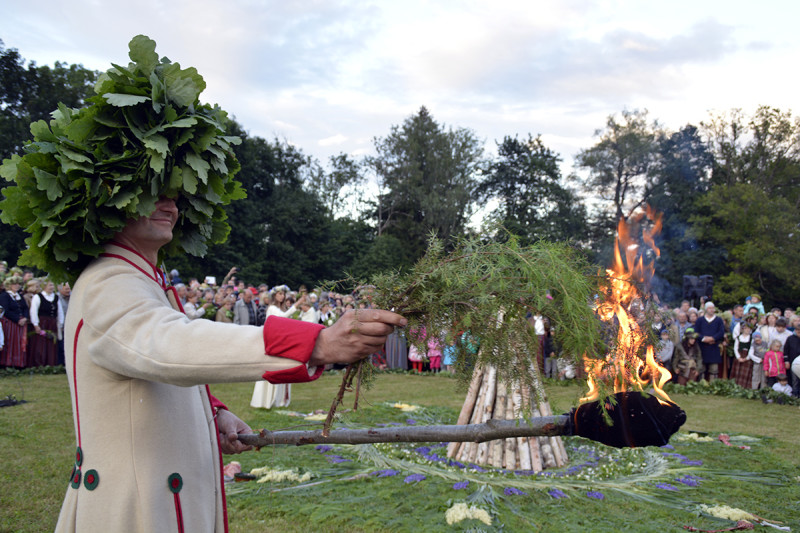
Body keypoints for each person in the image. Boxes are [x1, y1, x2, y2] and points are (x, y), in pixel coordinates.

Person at [53, 197, 405, 532]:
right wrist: (316, 342)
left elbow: (145, 373)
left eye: (175, 196)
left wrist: (212, 413)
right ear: (109, 201)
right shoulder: (109, 281)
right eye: (151, 194)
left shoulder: (139, 279)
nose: (171, 206)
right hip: (134, 511)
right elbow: (168, 346)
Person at [29, 280, 64, 366]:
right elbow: (33, 311)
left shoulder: (56, 297)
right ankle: (39, 364)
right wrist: (36, 324)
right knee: (41, 344)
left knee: (52, 343)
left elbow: (60, 312)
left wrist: (60, 323)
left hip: (52, 323)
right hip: (42, 323)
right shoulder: (38, 297)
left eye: (52, 285)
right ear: (44, 286)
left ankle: (51, 363)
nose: (52, 287)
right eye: (50, 285)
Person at [0, 275, 28, 368]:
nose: (17, 286)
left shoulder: (20, 295)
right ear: (9, 285)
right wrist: (17, 319)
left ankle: (18, 363)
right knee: (10, 342)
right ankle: (7, 363)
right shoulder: (5, 295)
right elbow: (5, 310)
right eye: (14, 284)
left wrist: (25, 318)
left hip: (21, 322)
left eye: (18, 284)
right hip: (10, 323)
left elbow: (25, 308)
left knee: (19, 343)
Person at [694, 302, 726, 381]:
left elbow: (721, 332)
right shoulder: (700, 320)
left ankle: (712, 385)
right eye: (710, 308)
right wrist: (704, 339)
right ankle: (701, 384)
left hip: (714, 347)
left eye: (713, 308)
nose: (712, 310)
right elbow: (696, 332)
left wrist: (713, 338)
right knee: (701, 368)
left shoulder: (719, 320)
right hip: (702, 347)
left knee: (714, 369)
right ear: (706, 309)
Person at [730, 322, 753, 389]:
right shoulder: (738, 337)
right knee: (738, 372)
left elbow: (752, 349)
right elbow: (735, 348)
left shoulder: (751, 338)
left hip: (747, 357)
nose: (747, 330)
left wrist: (747, 358)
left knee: (745, 373)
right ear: (742, 329)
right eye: (745, 328)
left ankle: (745, 387)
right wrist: (738, 357)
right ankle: (736, 386)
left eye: (749, 328)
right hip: (739, 356)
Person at [782, 324, 800, 397]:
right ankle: (795, 395)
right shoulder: (790, 339)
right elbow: (786, 351)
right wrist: (786, 361)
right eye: (798, 330)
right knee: (794, 381)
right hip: (793, 363)